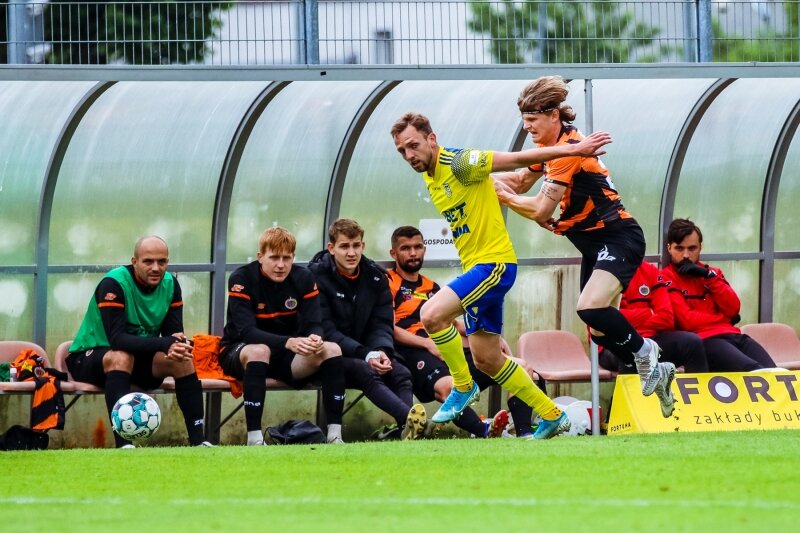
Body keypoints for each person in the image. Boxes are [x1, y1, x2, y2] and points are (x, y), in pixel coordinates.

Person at [390, 111, 610, 438]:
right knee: (488, 360)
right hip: (477, 269)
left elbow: (516, 158)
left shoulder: (460, 163)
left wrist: (574, 149)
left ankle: (462, 386)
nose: (409, 155)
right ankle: (552, 415)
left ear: (431, 139)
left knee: (431, 315)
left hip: (493, 266)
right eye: (402, 151)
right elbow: (513, 180)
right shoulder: (432, 176)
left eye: (413, 145)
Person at [492, 76, 676, 418]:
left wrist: (503, 196)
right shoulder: (554, 149)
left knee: (590, 308)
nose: (527, 126)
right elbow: (518, 180)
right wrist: (478, 179)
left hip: (617, 236)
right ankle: (657, 371)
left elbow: (540, 209)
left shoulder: (569, 151)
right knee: (600, 331)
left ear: (554, 116)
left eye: (532, 119)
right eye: (524, 120)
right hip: (592, 242)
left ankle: (647, 353)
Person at [66, 236, 210, 448]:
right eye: (148, 261)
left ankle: (199, 442)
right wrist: (164, 343)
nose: (156, 268)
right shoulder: (113, 284)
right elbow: (117, 340)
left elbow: (172, 335)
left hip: (136, 360)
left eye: (162, 261)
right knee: (121, 356)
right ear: (134, 262)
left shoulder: (170, 284)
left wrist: (179, 345)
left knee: (182, 359)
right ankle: (124, 444)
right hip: (89, 359)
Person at [218, 227, 347, 445]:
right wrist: (288, 342)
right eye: (274, 258)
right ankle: (254, 439)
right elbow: (247, 332)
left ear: (293, 257)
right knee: (260, 351)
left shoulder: (304, 277)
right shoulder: (242, 278)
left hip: (285, 355)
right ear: (260, 257)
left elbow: (315, 323)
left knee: (332, 349)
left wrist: (315, 338)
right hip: (240, 350)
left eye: (287, 258)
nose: (281, 265)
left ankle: (335, 436)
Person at [388, 225, 511, 439]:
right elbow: (388, 328)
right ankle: (485, 431)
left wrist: (491, 338)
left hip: (444, 346)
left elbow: (453, 323)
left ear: (424, 249)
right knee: (450, 388)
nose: (413, 253)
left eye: (418, 247)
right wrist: (427, 344)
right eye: (406, 248)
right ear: (393, 253)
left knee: (518, 367)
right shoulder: (387, 282)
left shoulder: (432, 287)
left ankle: (527, 429)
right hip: (414, 350)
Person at [309, 219, 427, 440]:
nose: (351, 252)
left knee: (401, 372)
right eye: (344, 246)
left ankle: (407, 432)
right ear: (331, 248)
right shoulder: (316, 277)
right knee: (365, 371)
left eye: (356, 245)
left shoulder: (375, 276)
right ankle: (411, 422)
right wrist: (366, 354)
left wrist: (381, 350)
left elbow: (381, 323)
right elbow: (326, 330)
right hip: (326, 356)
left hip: (366, 352)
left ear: (363, 245)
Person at [660, 218, 776, 372]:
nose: (686, 255)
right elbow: (687, 321)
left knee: (776, 373)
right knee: (753, 370)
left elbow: (733, 309)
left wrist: (709, 276)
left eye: (692, 248)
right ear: (669, 248)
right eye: (679, 248)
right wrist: (723, 318)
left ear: (700, 247)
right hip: (706, 340)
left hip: (735, 336)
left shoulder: (712, 273)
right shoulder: (665, 278)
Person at [598, 261, 709, 374]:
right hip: (613, 343)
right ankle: (631, 386)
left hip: (651, 339)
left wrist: (627, 319)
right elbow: (606, 319)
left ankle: (697, 385)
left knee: (692, 342)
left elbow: (666, 318)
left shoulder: (650, 270)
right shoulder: (603, 271)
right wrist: (649, 312)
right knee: (631, 349)